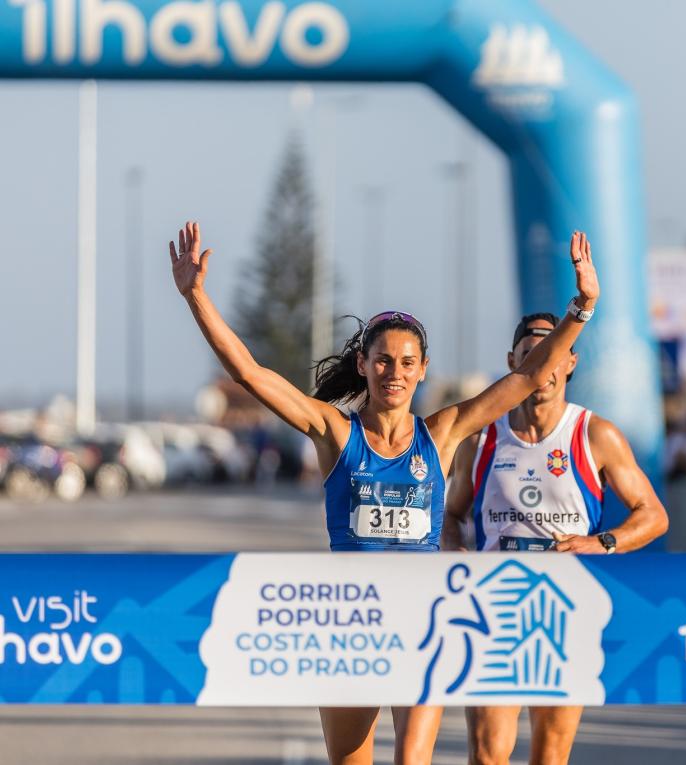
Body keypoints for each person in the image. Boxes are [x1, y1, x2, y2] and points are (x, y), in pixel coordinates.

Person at [169, 222, 600, 765]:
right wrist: (196, 296)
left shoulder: (441, 434)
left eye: (406, 362)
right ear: (363, 365)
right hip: (350, 622)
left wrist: (581, 307)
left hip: (424, 619)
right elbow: (251, 375)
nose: (393, 372)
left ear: (422, 371)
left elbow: (529, 375)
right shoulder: (335, 432)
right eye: (382, 360)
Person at [441, 312, 669, 765]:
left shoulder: (595, 434)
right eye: (531, 356)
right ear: (513, 362)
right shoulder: (484, 437)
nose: (543, 367)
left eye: (553, 357)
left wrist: (602, 542)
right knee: (487, 754)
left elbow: (653, 515)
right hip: (494, 606)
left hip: (563, 608)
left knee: (549, 756)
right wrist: (456, 554)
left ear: (570, 364)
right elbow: (451, 515)